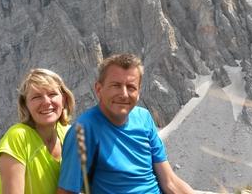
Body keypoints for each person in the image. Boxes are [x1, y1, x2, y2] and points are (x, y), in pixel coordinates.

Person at [57, 53, 194, 194]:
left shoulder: (144, 118)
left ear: (139, 92)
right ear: (99, 89)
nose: (124, 94)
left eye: (131, 87)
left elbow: (169, 181)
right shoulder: (83, 130)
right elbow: (66, 192)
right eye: (116, 85)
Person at [0, 68, 75, 194]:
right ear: (25, 105)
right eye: (36, 97)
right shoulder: (18, 137)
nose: (46, 102)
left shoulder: (70, 135)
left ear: (64, 99)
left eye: (52, 94)